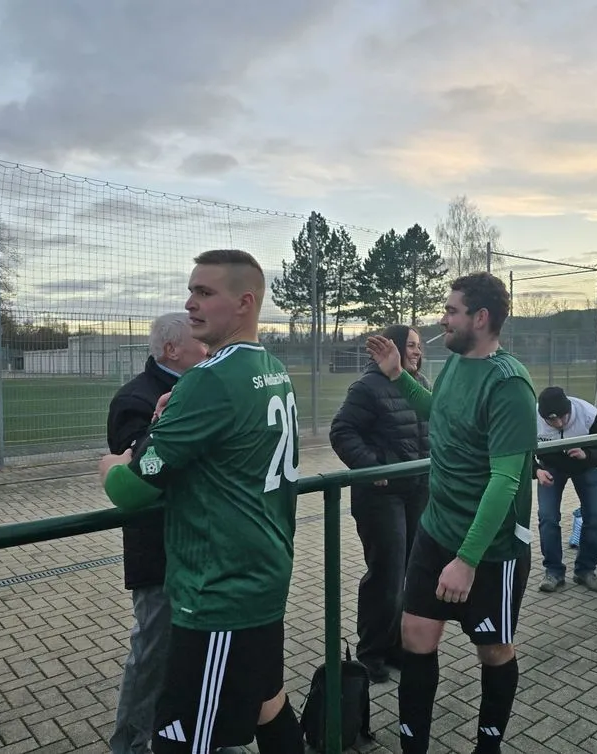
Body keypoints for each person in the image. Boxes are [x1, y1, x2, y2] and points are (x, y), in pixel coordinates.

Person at [99, 249, 303, 753]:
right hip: (264, 572)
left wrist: (111, 466)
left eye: (205, 292)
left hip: (218, 591)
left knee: (182, 739)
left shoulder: (208, 379)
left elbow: (132, 488)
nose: (190, 303)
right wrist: (171, 418)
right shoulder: (272, 368)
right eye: (191, 291)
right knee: (267, 703)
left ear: (245, 303)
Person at [365, 272, 538, 754]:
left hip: (490, 548)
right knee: (415, 635)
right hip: (436, 531)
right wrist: (398, 375)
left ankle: (488, 746)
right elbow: (436, 411)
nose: (442, 319)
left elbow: (505, 481)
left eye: (451, 310)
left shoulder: (509, 385)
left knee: (493, 650)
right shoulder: (456, 364)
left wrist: (466, 560)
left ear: (480, 318)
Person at [106, 314, 209, 754]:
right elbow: (141, 470)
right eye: (200, 342)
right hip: (159, 551)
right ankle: (130, 743)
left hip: (202, 545)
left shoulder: (203, 389)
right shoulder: (134, 398)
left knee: (199, 651)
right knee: (153, 650)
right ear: (171, 350)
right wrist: (161, 425)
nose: (208, 347)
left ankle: (203, 735)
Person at [330, 324, 430, 684]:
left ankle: (396, 646)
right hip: (381, 496)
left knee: (410, 572)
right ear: (396, 347)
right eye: (411, 345)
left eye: (418, 346)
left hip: (417, 490)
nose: (417, 352)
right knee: (386, 574)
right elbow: (341, 431)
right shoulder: (367, 387)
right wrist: (372, 467)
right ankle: (371, 652)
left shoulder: (420, 384)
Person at [533, 386, 597, 594]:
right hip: (550, 466)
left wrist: (587, 455)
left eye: (563, 417)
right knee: (547, 517)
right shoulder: (532, 418)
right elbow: (520, 449)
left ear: (569, 409)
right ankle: (553, 571)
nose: (559, 424)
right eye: (551, 421)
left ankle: (585, 570)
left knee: (596, 516)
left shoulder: (589, 415)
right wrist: (535, 471)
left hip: (584, 465)